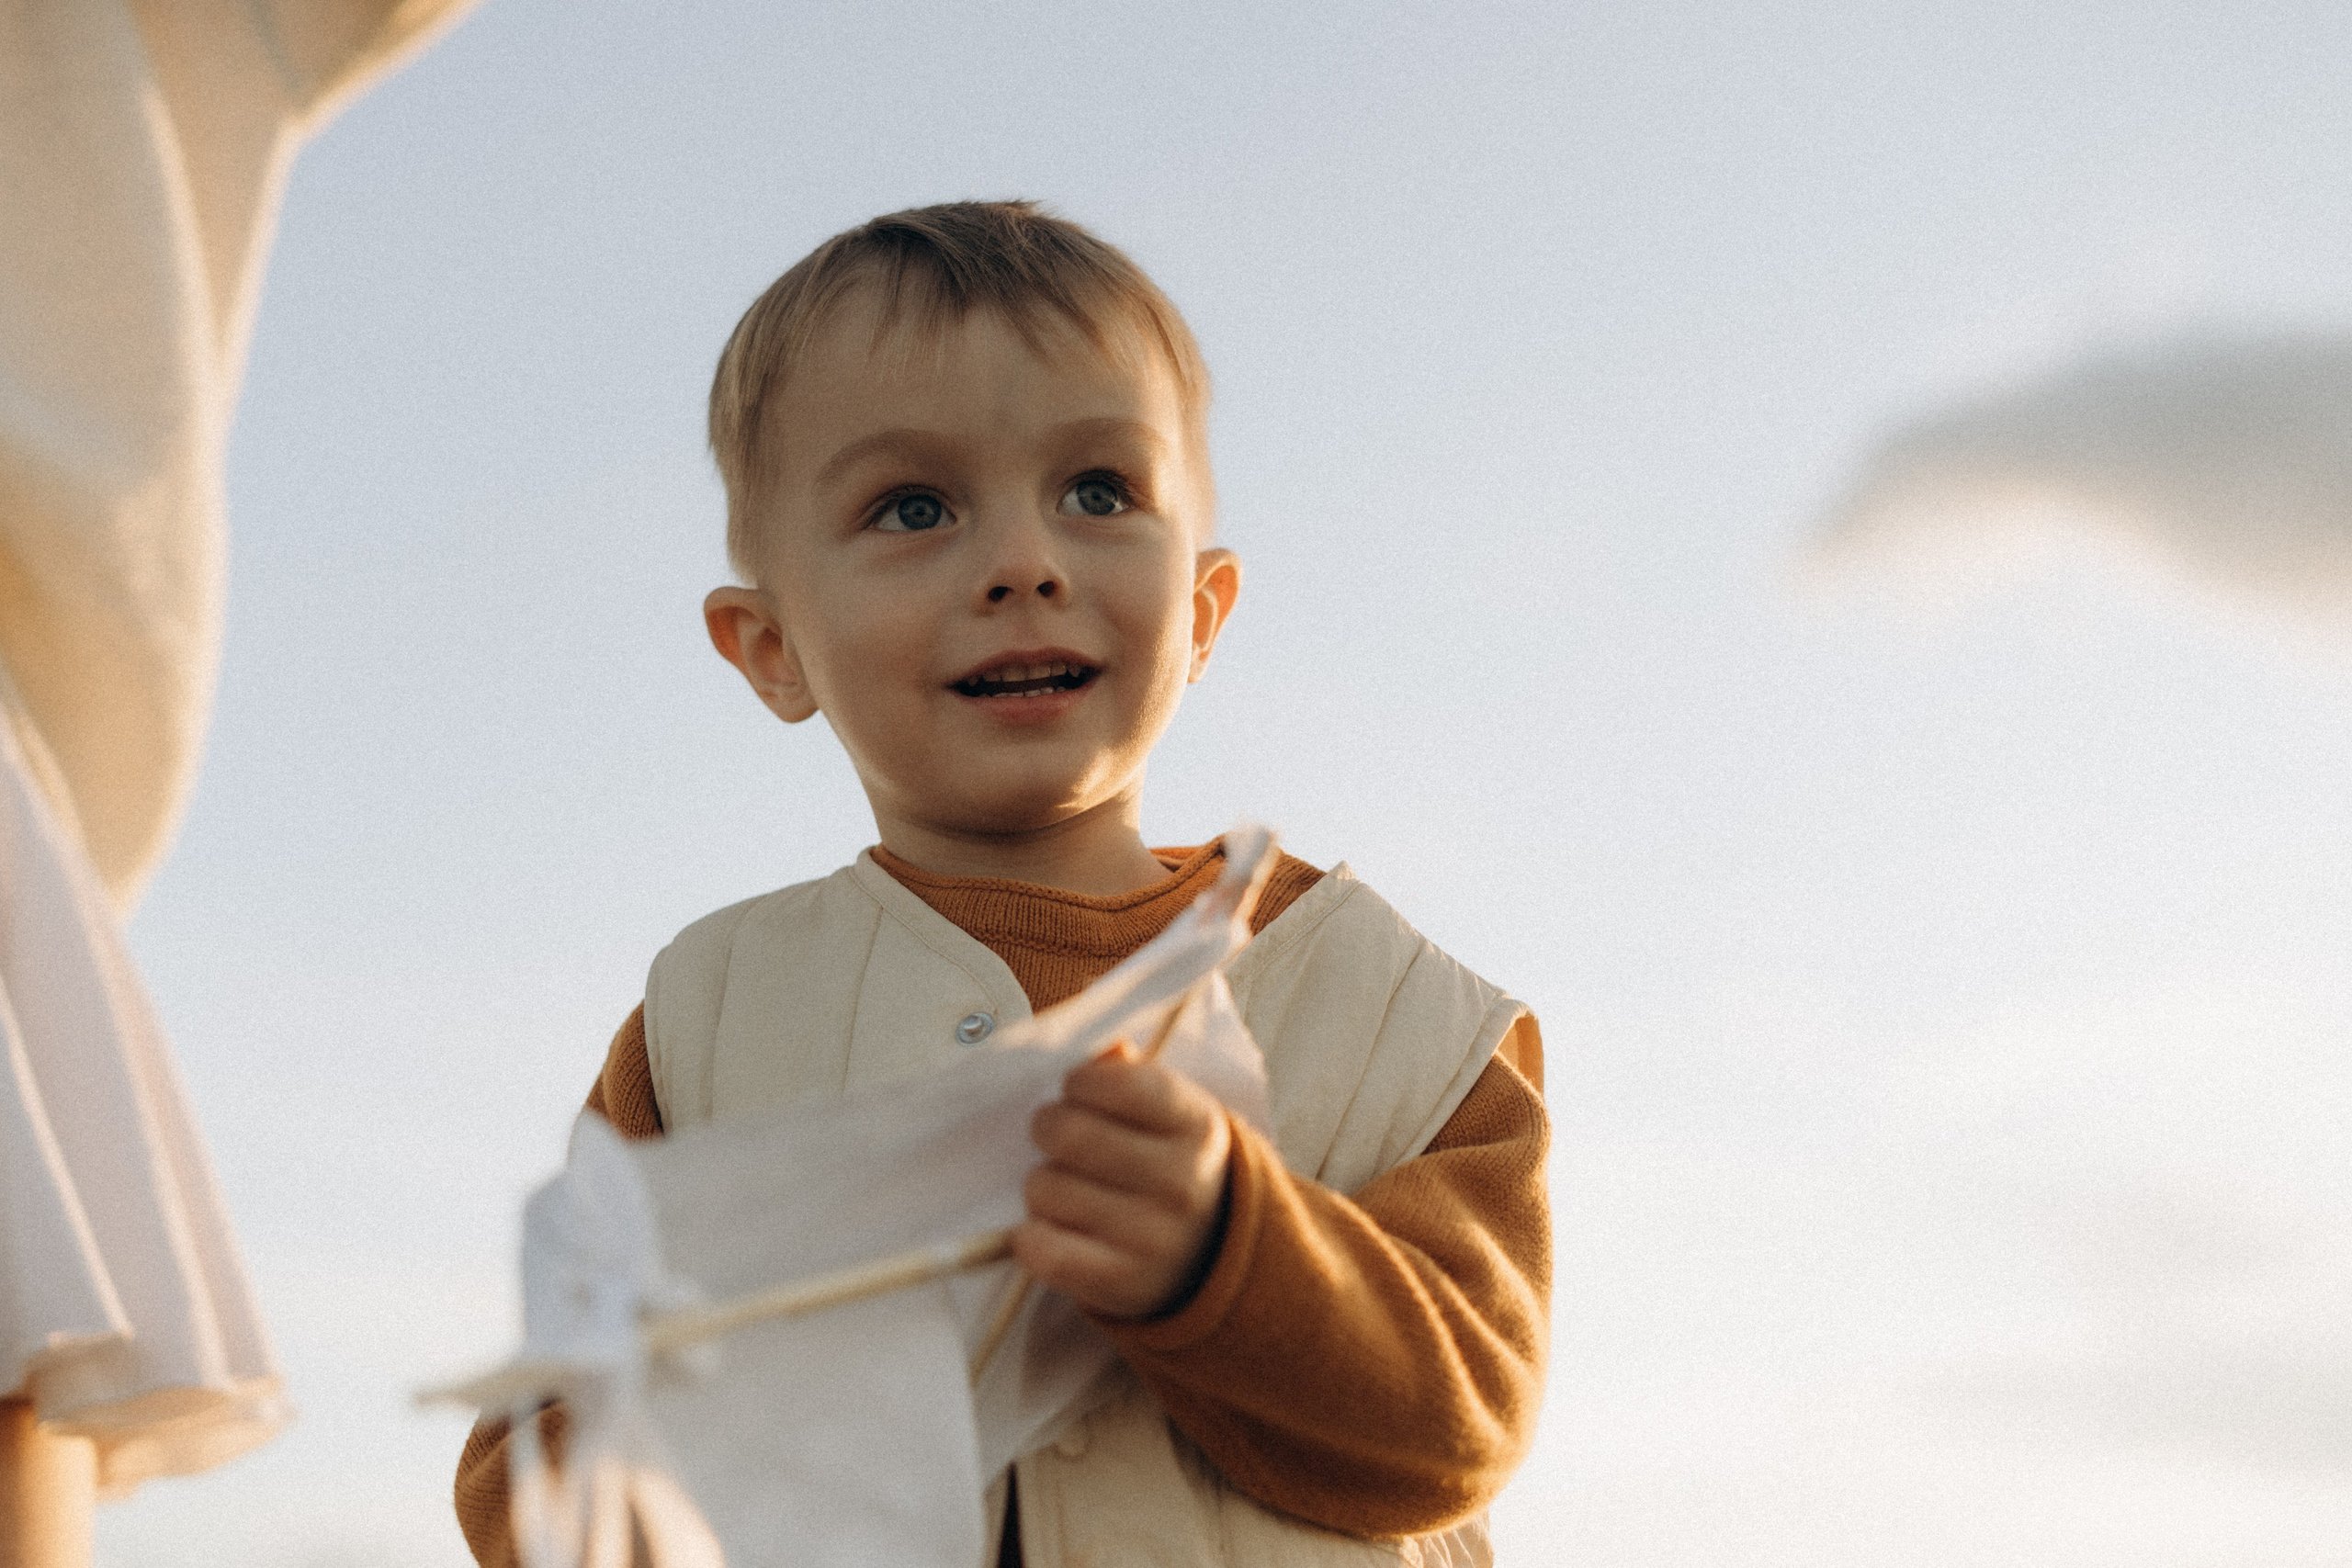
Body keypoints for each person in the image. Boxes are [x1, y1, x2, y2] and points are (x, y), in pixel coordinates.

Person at [453, 200, 1550, 1567]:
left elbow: (1464, 1419)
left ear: (1202, 610)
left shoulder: (1400, 1018)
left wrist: (1230, 1253)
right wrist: (687, 1438)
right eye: (913, 508)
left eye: (1100, 492)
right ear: (773, 648)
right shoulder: (707, 1025)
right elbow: (532, 1475)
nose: (1025, 564)